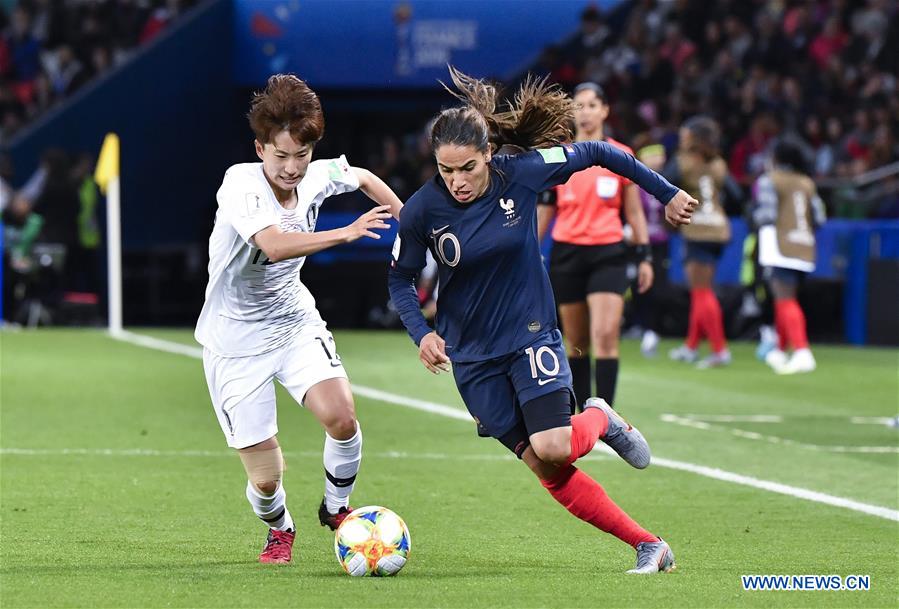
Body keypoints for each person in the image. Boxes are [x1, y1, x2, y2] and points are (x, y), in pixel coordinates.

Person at [388, 67, 698, 574]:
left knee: (555, 444)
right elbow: (400, 279)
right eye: (446, 171)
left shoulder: (523, 172)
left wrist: (666, 193)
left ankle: (598, 417)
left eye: (467, 168)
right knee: (548, 468)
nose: (457, 182)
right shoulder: (422, 211)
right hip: (471, 359)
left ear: (488, 153)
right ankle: (650, 545)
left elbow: (599, 153)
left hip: (531, 335)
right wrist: (422, 334)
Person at [194, 74, 402, 564]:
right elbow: (274, 244)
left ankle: (336, 508)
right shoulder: (240, 183)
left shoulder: (313, 173)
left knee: (342, 416)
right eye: (280, 155)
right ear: (260, 147)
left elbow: (364, 178)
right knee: (266, 479)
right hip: (234, 340)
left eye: (301, 156)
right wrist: (345, 232)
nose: (291, 168)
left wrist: (407, 218)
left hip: (292, 319)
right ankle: (280, 527)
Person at [536, 82, 653, 409]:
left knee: (605, 335)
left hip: (608, 253)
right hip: (567, 254)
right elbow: (544, 212)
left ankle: (608, 419)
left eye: (591, 105)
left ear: (604, 110)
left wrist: (644, 256)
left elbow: (634, 212)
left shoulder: (621, 155)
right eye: (579, 105)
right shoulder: (559, 156)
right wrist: (526, 252)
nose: (584, 112)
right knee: (577, 343)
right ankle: (583, 412)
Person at [665, 116, 743, 368]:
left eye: (685, 134)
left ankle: (720, 350)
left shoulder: (682, 161)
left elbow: (663, 183)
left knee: (701, 292)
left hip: (696, 230)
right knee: (702, 290)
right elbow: (736, 195)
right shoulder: (720, 164)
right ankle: (691, 346)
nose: (682, 138)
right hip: (719, 230)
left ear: (694, 139)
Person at [752, 137, 826, 374]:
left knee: (784, 299)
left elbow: (766, 216)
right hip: (804, 244)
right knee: (788, 299)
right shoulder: (806, 182)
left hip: (779, 245)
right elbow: (819, 217)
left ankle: (803, 351)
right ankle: (779, 350)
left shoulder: (769, 180)